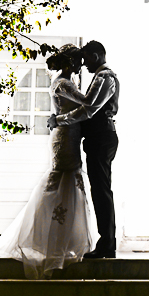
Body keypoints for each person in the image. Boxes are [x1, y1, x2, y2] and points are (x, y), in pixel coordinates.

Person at [0, 43, 99, 279]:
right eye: (79, 61)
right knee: (62, 183)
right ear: (70, 62)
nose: (81, 65)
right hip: (65, 137)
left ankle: (62, 242)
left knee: (69, 183)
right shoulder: (63, 83)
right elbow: (87, 102)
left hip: (70, 135)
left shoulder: (67, 81)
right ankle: (51, 245)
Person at [48, 39, 120, 258]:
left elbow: (89, 108)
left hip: (101, 138)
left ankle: (107, 244)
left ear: (95, 56)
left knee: (101, 190)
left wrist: (59, 119)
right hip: (96, 138)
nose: (84, 66)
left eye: (86, 60)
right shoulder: (99, 77)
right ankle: (106, 242)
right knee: (99, 190)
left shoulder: (104, 77)